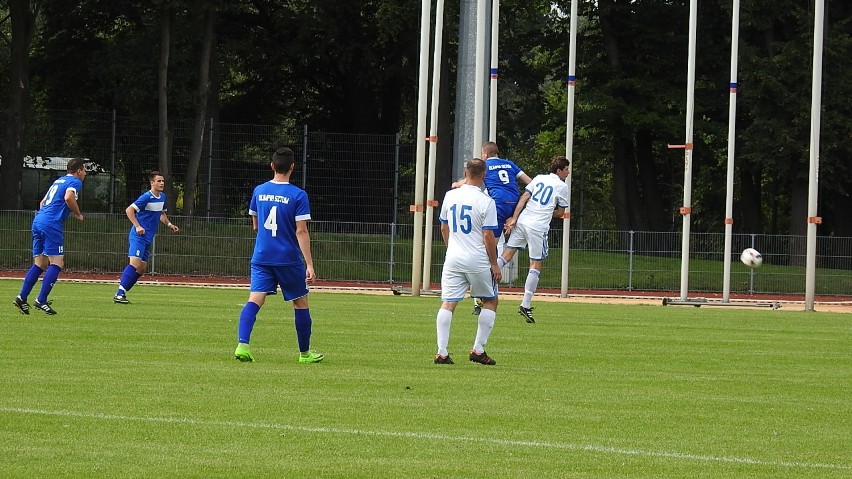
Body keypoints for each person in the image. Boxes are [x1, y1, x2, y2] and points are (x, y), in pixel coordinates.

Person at [233, 147, 324, 364]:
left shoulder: (259, 191)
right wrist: (309, 264)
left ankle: (242, 345)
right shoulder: (298, 195)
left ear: (272, 166)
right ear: (292, 167)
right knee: (300, 303)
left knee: (255, 299)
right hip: (287, 258)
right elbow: (300, 231)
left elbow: (255, 225)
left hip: (262, 256)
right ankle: (304, 354)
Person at [435, 158, 502, 366]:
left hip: (453, 257)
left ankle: (442, 352)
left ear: (465, 173)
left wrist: (451, 249)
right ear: (484, 176)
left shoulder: (450, 195)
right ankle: (478, 349)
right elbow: (488, 236)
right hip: (478, 259)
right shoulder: (486, 201)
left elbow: (444, 228)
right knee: (490, 300)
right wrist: (494, 263)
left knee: (448, 302)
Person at [452, 142, 531, 314]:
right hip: (514, 206)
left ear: (485, 155)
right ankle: (487, 289)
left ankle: (481, 296)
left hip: (497, 206)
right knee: (506, 248)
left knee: (485, 248)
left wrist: (456, 185)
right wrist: (516, 214)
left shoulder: (485, 166)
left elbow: (470, 180)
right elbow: (529, 183)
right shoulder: (510, 164)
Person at [499, 155, 571, 323]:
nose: (568, 172)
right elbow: (560, 213)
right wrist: (548, 211)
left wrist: (514, 218)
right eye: (566, 169)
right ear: (559, 170)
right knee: (536, 263)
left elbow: (524, 197)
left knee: (506, 255)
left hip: (523, 220)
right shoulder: (562, 187)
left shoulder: (538, 178)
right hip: (537, 227)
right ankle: (525, 304)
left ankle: (484, 284)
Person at [13, 158, 87, 315]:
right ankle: (41, 300)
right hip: (51, 224)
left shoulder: (59, 181)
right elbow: (68, 198)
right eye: (85, 170)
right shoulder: (75, 182)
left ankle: (21, 297)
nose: (85, 173)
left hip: (38, 220)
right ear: (79, 171)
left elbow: (42, 202)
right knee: (57, 263)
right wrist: (78, 214)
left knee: (40, 263)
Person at [113, 171, 180, 304]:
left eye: (163, 181)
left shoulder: (162, 197)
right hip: (138, 236)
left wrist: (169, 224)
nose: (161, 183)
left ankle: (122, 292)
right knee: (135, 264)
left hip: (148, 237)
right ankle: (119, 293)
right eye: (159, 181)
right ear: (152, 183)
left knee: (142, 268)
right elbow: (129, 210)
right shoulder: (146, 197)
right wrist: (137, 226)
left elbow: (161, 214)